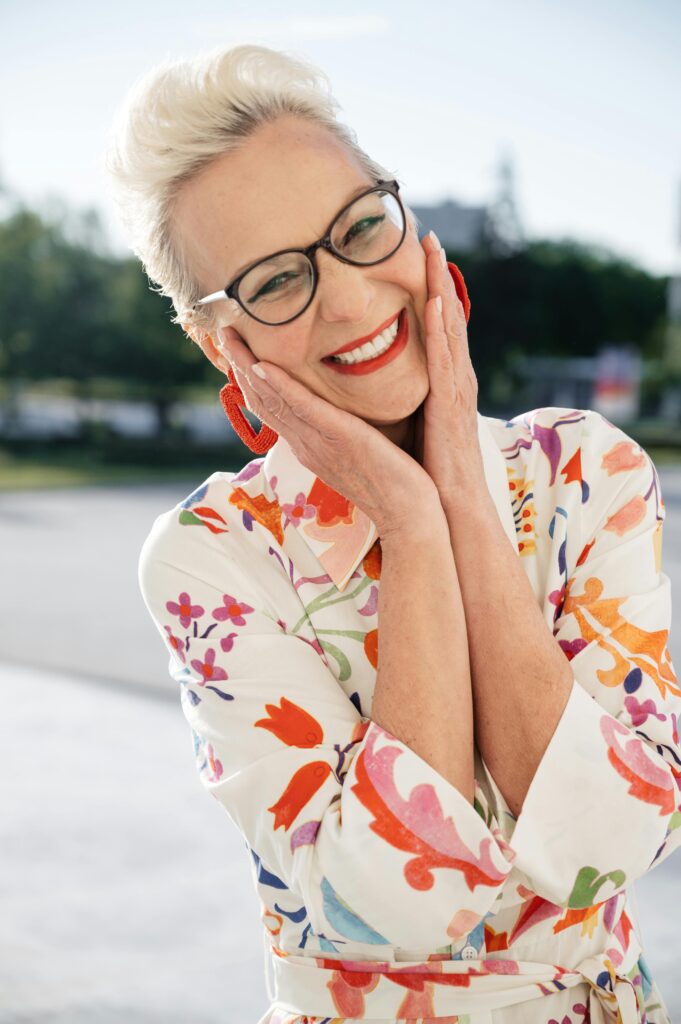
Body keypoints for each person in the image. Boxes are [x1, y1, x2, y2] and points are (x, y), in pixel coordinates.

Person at [104, 43, 680, 1024]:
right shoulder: (215, 553)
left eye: (361, 227)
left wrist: (461, 488)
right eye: (274, 281)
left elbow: (613, 842)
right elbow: (400, 904)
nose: (349, 295)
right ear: (218, 343)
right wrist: (414, 524)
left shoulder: (587, 472)